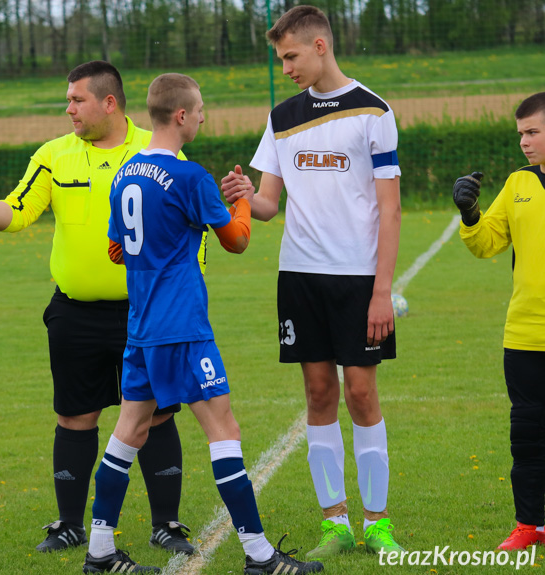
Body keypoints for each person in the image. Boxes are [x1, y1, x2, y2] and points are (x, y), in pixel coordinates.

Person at [0, 61, 194, 555]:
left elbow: (189, 229)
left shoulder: (156, 150)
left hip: (143, 313)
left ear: (109, 103)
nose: (69, 109)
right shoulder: (53, 155)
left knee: (157, 417)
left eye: (77, 100)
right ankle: (68, 525)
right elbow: (17, 211)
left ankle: (166, 524)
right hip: (74, 314)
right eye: (68, 100)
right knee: (74, 417)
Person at [82, 72, 322, 575]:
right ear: (183, 116)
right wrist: (238, 197)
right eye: (201, 109)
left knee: (127, 433)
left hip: (142, 326)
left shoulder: (126, 172)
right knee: (223, 428)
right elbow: (237, 239)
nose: (204, 116)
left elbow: (114, 250)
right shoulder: (190, 177)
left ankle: (100, 550)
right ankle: (260, 556)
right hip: (183, 328)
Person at [221, 5, 404, 560]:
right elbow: (270, 203)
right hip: (299, 277)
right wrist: (240, 194)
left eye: (291, 57)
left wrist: (380, 290)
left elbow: (389, 210)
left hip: (358, 281)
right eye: (281, 60)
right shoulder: (282, 116)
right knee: (319, 393)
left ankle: (377, 522)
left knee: (362, 392)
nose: (287, 68)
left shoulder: (374, 112)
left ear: (320, 46)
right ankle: (336, 523)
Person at [452, 92, 545, 551]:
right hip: (526, 335)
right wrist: (470, 213)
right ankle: (530, 524)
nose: (524, 143)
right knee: (527, 436)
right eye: (521, 134)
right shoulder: (518, 184)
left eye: (533, 132)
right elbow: (487, 244)